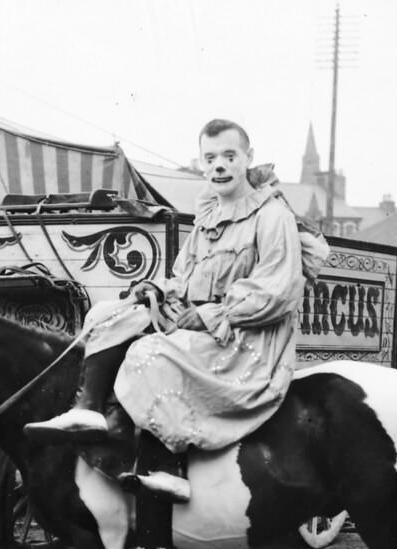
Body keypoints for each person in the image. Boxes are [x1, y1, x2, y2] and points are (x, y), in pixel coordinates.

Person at [25, 119, 327, 502]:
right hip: (200, 331)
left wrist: (213, 314)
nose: (219, 166)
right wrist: (157, 288)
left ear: (248, 158)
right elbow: (182, 279)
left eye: (230, 156)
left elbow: (278, 292)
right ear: (203, 163)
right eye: (211, 157)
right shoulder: (207, 220)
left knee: (148, 352)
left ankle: (165, 465)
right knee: (108, 314)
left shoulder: (272, 216)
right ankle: (90, 411)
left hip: (246, 344)